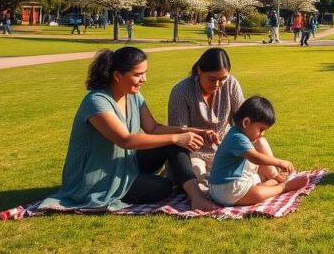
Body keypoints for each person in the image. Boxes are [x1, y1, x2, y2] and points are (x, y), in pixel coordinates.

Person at [39, 47, 218, 212]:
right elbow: (124, 140)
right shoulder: (96, 102)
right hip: (95, 178)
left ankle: (196, 197)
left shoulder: (134, 97)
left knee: (175, 143)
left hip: (124, 165)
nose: (144, 79)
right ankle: (129, 187)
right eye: (138, 74)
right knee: (162, 187)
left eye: (145, 73)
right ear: (117, 76)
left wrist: (193, 132)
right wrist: (176, 138)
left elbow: (153, 128)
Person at [168, 48, 281, 185]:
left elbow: (245, 118)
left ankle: (273, 178)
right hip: (195, 153)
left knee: (260, 142)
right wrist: (203, 135)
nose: (217, 84)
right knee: (199, 183)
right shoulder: (181, 91)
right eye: (212, 79)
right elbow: (178, 132)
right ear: (199, 70)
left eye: (222, 79)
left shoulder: (231, 84)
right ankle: (252, 183)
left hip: (226, 149)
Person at [207, 96, 310, 206]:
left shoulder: (236, 133)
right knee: (258, 194)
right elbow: (255, 157)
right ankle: (283, 187)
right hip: (226, 190)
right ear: (246, 122)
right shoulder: (237, 138)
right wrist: (279, 162)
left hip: (226, 187)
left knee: (256, 179)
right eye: (261, 129)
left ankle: (273, 181)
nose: (262, 134)